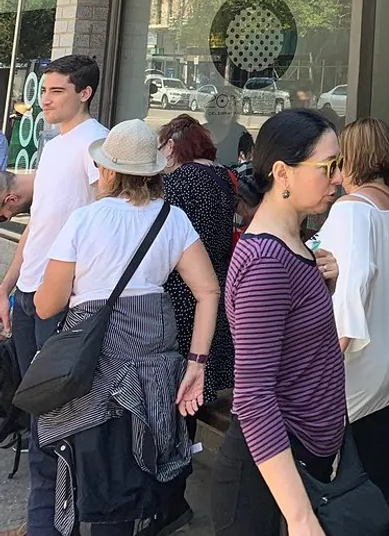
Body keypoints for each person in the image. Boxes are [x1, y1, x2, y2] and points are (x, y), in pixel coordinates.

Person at [32, 119, 219, 536]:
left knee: (73, 458)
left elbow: (47, 306)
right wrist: (197, 363)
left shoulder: (85, 220)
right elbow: (208, 291)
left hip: (94, 371)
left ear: (111, 172)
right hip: (151, 372)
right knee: (134, 470)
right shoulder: (172, 219)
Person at [212, 109, 346, 536]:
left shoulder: (295, 244)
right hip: (268, 483)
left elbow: (295, 341)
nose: (339, 178)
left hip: (299, 463)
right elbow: (252, 398)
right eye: (329, 167)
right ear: (283, 174)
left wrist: (321, 288)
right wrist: (300, 516)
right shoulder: (268, 263)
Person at [0, 54, 108, 536]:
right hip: (26, 294)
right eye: (43, 90)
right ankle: (41, 516)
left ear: (84, 93)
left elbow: (106, 221)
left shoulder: (95, 144)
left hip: (60, 299)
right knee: (35, 411)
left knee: (57, 416)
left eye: (56, 90)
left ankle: (53, 521)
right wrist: (5, 286)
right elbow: (38, 223)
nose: (45, 99)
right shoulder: (54, 144)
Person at [315, 118, 389, 513]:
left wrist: (321, 372)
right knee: (378, 464)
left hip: (357, 370)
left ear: (349, 159)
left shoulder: (350, 211)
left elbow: (349, 295)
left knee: (341, 477)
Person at [155, 115, 237, 533]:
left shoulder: (178, 183)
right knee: (189, 403)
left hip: (181, 298)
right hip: (214, 300)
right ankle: (173, 493)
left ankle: (168, 500)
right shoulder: (224, 178)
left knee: (173, 404)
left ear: (174, 144)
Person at [204, 95, 248, 168]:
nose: (226, 111)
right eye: (222, 107)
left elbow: (250, 159)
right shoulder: (199, 131)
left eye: (230, 108)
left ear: (234, 111)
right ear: (213, 109)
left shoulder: (240, 131)